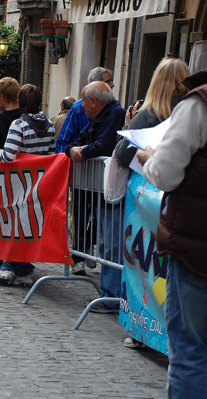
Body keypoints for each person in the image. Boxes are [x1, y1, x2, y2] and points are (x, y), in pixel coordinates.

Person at [136, 68, 207, 399]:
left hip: (197, 250)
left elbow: (164, 173)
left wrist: (149, 159)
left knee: (190, 350)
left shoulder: (198, 105)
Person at [113, 58, 190, 350]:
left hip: (145, 201)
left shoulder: (146, 116)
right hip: (179, 203)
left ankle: (142, 330)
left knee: (142, 267)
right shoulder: (192, 113)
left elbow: (121, 154)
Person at [0, 84, 55, 285]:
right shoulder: (49, 125)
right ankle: (24, 269)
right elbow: (50, 155)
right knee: (28, 225)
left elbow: (8, 155)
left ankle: (10, 268)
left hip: (18, 182)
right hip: (39, 182)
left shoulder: (19, 124)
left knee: (15, 223)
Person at [65, 81, 126, 310]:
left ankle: (110, 296)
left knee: (110, 245)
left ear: (93, 101)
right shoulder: (97, 116)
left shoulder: (114, 114)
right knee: (104, 242)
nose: (80, 106)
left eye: (83, 100)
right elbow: (78, 140)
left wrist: (83, 152)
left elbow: (104, 146)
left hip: (109, 191)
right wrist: (73, 149)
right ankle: (107, 292)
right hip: (98, 189)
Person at [56, 67, 115, 152]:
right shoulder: (77, 108)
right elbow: (65, 139)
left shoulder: (115, 109)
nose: (112, 85)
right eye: (108, 81)